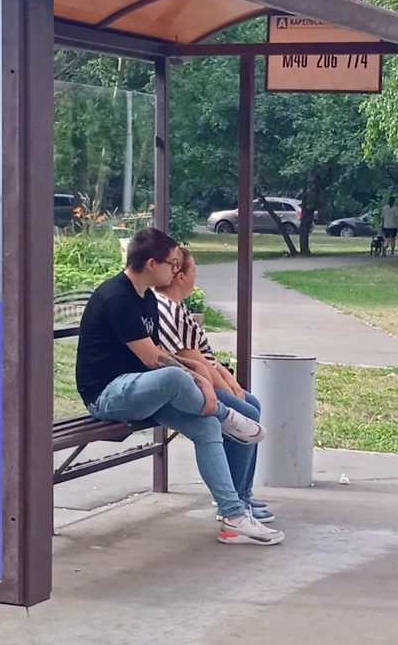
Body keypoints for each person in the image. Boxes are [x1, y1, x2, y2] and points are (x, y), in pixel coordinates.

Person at [74, 228, 281, 547]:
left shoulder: (146, 298)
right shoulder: (116, 297)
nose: (175, 270)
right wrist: (200, 380)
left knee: (205, 425)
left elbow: (160, 353)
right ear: (151, 263)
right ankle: (226, 416)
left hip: (145, 389)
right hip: (108, 394)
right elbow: (153, 359)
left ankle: (233, 518)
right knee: (175, 378)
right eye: (171, 263)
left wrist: (200, 372)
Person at [156, 244, 277, 529]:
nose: (196, 276)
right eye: (194, 270)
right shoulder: (167, 309)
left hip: (202, 379)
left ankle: (243, 492)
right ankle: (237, 500)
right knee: (247, 413)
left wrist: (232, 383)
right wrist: (229, 388)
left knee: (251, 405)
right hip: (192, 386)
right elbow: (193, 359)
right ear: (180, 276)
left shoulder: (178, 307)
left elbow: (207, 358)